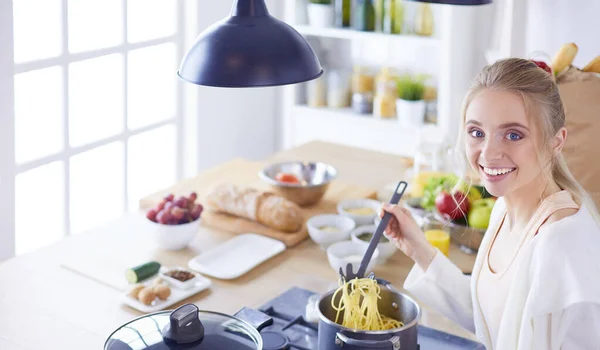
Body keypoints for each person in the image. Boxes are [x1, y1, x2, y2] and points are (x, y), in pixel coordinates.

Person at [381, 58, 600, 350]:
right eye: (477, 132)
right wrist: (417, 248)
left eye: (513, 135)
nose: (489, 152)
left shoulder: (561, 243)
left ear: (555, 141)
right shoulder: (504, 209)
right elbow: (494, 317)